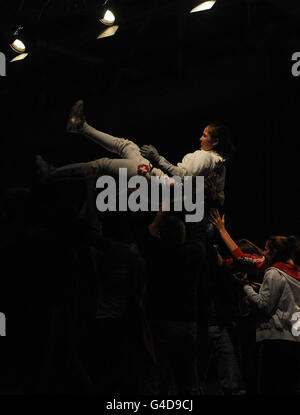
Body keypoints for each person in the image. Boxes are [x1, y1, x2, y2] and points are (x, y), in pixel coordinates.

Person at [36, 100, 234, 205]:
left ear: (215, 142)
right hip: (162, 184)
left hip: (159, 183)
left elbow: (185, 176)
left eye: (205, 136)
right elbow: (217, 196)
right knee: (127, 145)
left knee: (104, 163)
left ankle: (51, 174)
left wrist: (158, 158)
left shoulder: (206, 157)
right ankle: (81, 127)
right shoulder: (219, 163)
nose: (201, 138)